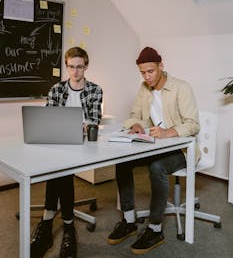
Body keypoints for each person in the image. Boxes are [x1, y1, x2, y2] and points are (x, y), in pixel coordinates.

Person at [107, 47, 200, 255]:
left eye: (151, 71)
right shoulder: (144, 88)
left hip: (182, 150)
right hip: (155, 145)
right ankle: (129, 220)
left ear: (161, 66)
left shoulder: (181, 88)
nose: (147, 77)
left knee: (157, 168)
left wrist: (169, 132)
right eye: (142, 72)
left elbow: (193, 125)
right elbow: (133, 115)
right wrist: (136, 125)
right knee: (122, 160)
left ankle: (156, 228)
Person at [31, 46, 103, 258]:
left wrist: (81, 126)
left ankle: (47, 221)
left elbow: (94, 121)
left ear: (86, 66)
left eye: (79, 67)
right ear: (66, 66)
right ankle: (68, 226)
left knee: (60, 171)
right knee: (60, 170)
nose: (75, 72)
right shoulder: (56, 90)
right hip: (59, 142)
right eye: (71, 67)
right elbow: (48, 121)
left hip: (82, 145)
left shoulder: (95, 90)